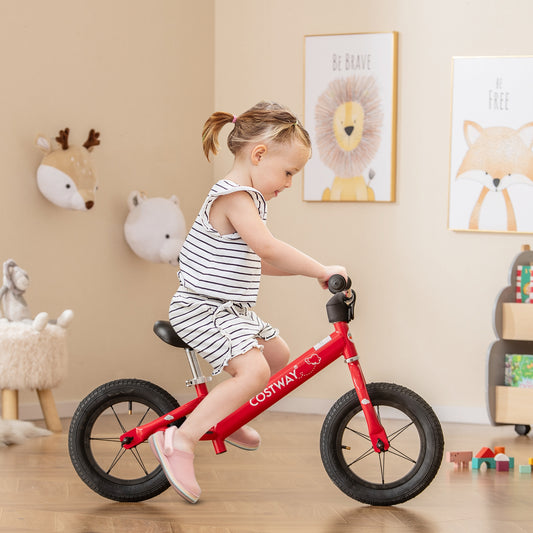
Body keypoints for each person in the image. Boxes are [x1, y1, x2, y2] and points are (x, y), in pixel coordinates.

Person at [149, 101, 347, 503]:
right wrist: (320, 269)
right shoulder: (234, 197)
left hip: (229, 310)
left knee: (277, 354)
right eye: (289, 172)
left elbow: (257, 261)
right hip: (201, 307)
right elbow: (268, 249)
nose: (289, 183)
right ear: (259, 155)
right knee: (255, 372)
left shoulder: (250, 202)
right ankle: (181, 440)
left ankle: (225, 411)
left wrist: (311, 273)